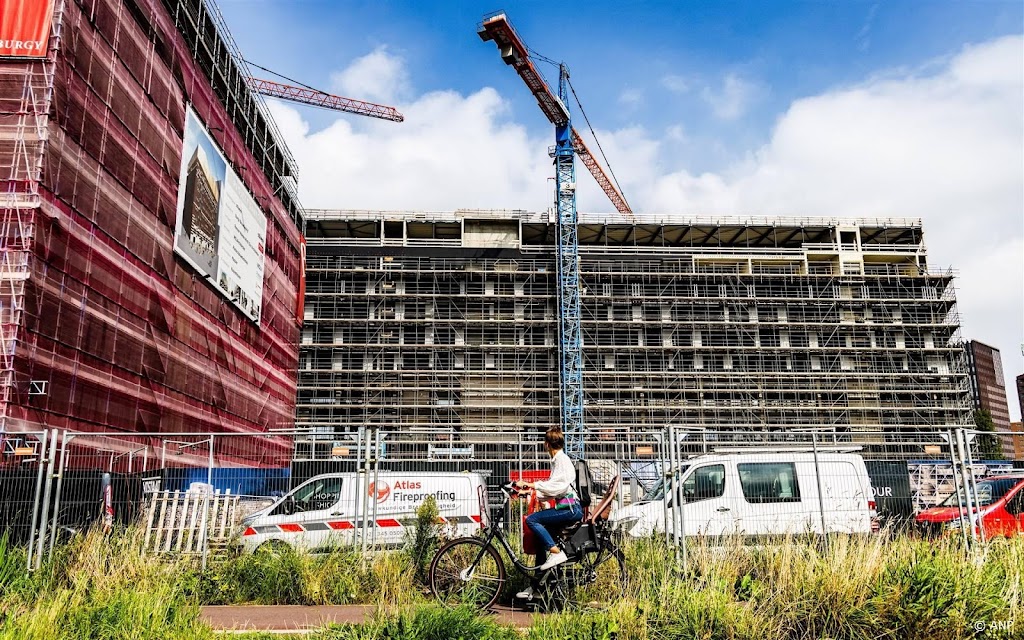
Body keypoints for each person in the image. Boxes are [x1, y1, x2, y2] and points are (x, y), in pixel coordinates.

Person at [515, 428, 583, 600]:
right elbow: (552, 489)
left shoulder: (561, 460)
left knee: (532, 520)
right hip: (566, 507)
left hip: (570, 509)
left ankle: (555, 553)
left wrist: (532, 485)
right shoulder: (557, 460)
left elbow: (557, 487)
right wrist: (529, 492)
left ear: (547, 444)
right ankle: (537, 587)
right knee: (539, 540)